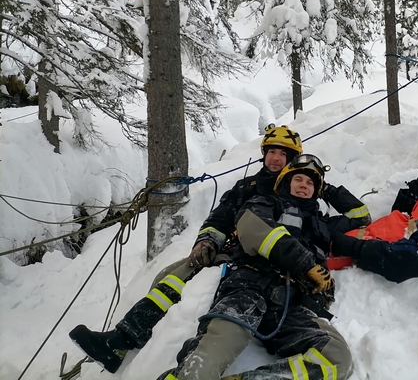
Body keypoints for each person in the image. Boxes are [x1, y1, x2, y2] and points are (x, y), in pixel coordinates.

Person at [69, 125, 369, 374]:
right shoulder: (250, 189)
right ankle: (123, 338)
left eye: (285, 155)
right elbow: (223, 219)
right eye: (272, 152)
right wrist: (208, 240)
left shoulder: (317, 217)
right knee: (174, 274)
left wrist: (319, 180)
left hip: (290, 293)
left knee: (333, 355)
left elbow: (359, 217)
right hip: (244, 255)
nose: (277, 158)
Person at [159, 154, 361, 380]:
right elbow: (252, 228)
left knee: (336, 358)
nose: (304, 185)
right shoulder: (265, 202)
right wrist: (306, 264)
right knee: (207, 359)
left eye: (310, 183)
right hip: (249, 289)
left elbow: (361, 215)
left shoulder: (325, 224)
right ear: (286, 182)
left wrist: (327, 188)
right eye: (298, 180)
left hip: (292, 305)